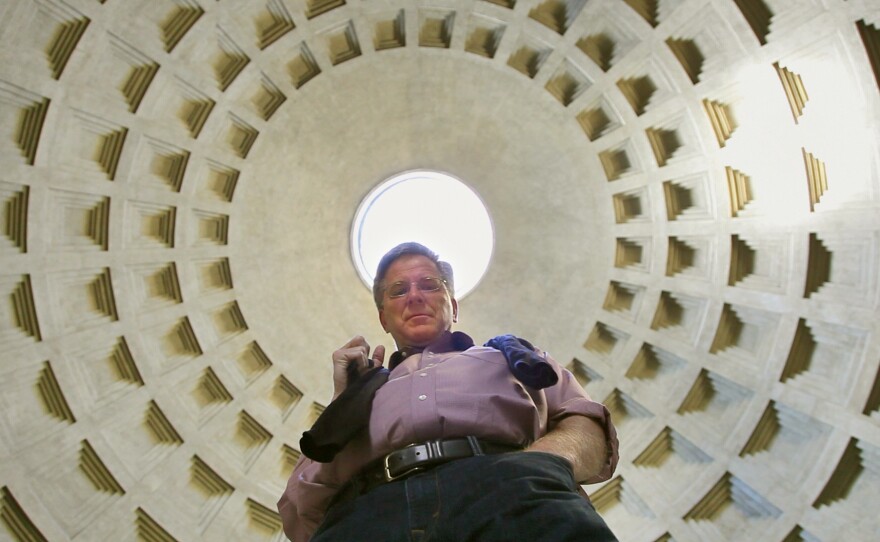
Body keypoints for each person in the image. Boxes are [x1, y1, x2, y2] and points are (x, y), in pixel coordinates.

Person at [278, 242, 619, 541]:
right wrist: (342, 404)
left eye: (429, 284)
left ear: (453, 307)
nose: (414, 296)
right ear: (384, 318)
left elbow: (583, 419)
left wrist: (543, 464)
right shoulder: (359, 394)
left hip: (508, 490)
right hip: (369, 512)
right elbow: (299, 508)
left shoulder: (514, 358)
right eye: (398, 290)